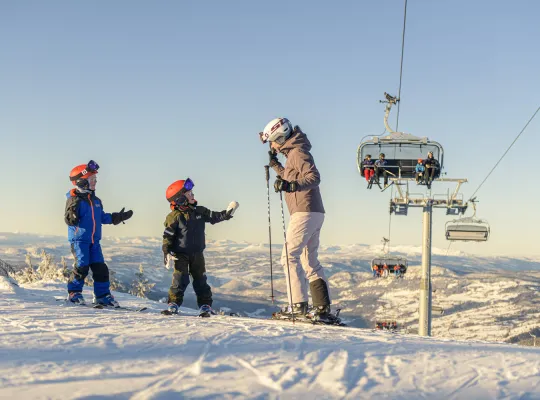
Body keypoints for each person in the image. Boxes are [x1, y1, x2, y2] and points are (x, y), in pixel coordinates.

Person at [259, 117, 332, 320]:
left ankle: (297, 305)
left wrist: (290, 186)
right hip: (314, 211)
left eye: (272, 141)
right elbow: (293, 176)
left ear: (281, 138)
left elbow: (313, 177)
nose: (272, 146)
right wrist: (277, 168)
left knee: (288, 257)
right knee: (309, 260)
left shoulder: (298, 153)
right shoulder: (294, 153)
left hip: (304, 211)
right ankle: (321, 307)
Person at [162, 178, 237, 315]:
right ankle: (173, 303)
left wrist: (226, 214)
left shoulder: (199, 211)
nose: (193, 195)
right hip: (180, 254)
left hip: (197, 253)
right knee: (180, 279)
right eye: (189, 193)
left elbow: (214, 216)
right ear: (179, 199)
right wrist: (167, 251)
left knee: (200, 280)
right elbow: (168, 236)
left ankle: (205, 305)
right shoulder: (174, 217)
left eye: (192, 192)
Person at [65, 160, 133, 306]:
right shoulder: (74, 200)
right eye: (91, 179)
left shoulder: (96, 200)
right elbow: (69, 220)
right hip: (80, 240)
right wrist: (72, 214)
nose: (95, 182)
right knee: (82, 266)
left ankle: (102, 295)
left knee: (101, 268)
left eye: (95, 179)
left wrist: (118, 217)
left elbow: (102, 217)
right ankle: (74, 293)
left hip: (95, 241)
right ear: (81, 182)